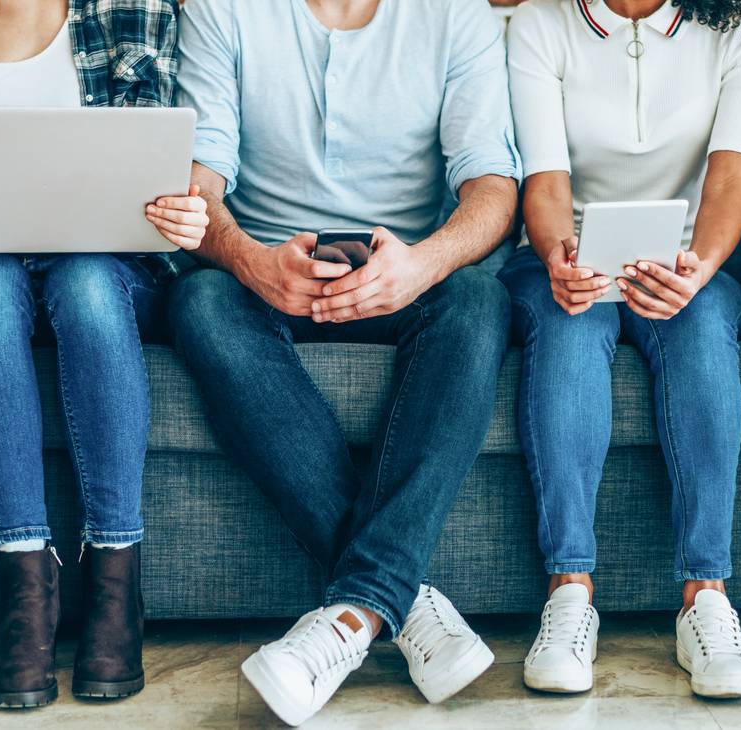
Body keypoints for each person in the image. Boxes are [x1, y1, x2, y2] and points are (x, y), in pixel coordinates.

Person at [169, 0, 521, 724]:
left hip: (407, 274)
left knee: (478, 300)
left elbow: (493, 187)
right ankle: (400, 601)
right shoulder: (219, 9)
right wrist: (250, 260)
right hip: (267, 271)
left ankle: (351, 614)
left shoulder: (457, 14)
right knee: (200, 301)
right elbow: (198, 181)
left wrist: (422, 265)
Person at [500, 0, 741, 699]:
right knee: (565, 335)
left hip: (683, 261)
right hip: (563, 256)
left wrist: (699, 267)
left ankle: (705, 599)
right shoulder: (539, 23)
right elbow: (545, 178)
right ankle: (568, 593)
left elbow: (731, 172)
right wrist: (561, 257)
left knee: (703, 337)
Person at [0, 0, 206, 710]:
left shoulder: (133, 10)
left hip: (107, 265)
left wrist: (170, 209)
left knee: (85, 281)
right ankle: (26, 590)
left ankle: (116, 587)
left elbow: (150, 155)